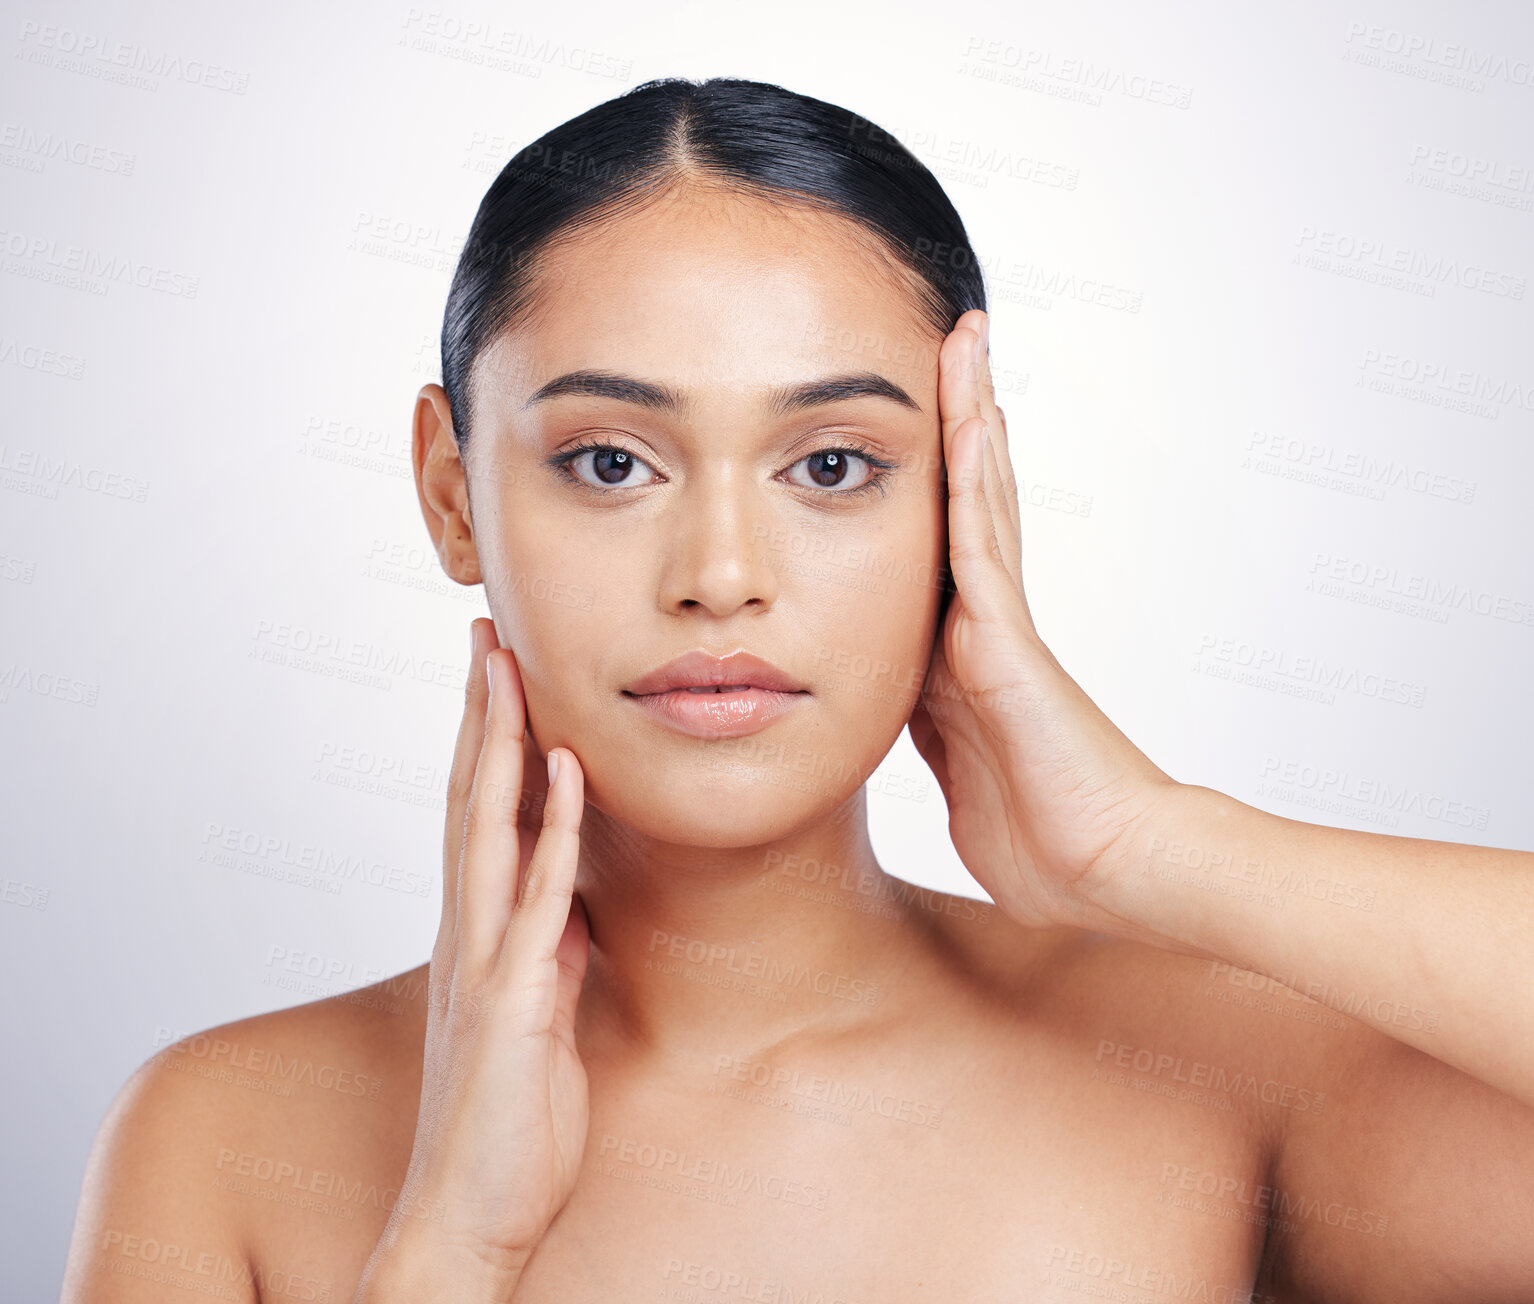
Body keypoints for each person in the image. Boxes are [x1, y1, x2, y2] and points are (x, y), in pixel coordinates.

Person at [61, 77, 1534, 1304]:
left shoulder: (1214, 1069)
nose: (719, 574)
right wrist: (453, 1242)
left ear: (965, 493)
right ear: (452, 493)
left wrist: (1152, 847)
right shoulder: (224, 1141)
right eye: (609, 462)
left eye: (830, 466)